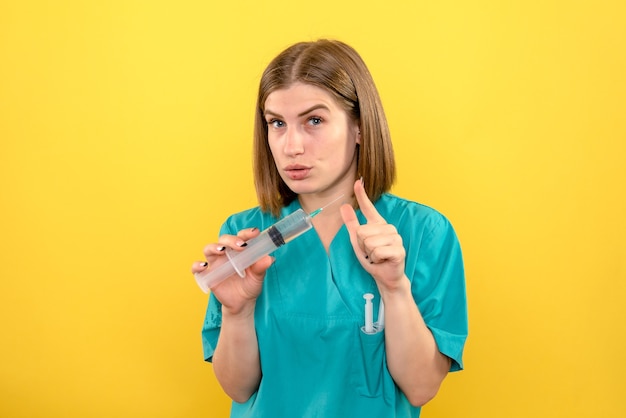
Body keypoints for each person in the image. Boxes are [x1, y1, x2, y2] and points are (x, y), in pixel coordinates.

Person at [192, 39, 468, 418]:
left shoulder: (424, 232)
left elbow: (421, 388)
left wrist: (394, 288)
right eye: (277, 123)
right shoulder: (245, 237)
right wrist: (237, 312)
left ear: (358, 127)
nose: (291, 146)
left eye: (314, 121)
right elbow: (238, 388)